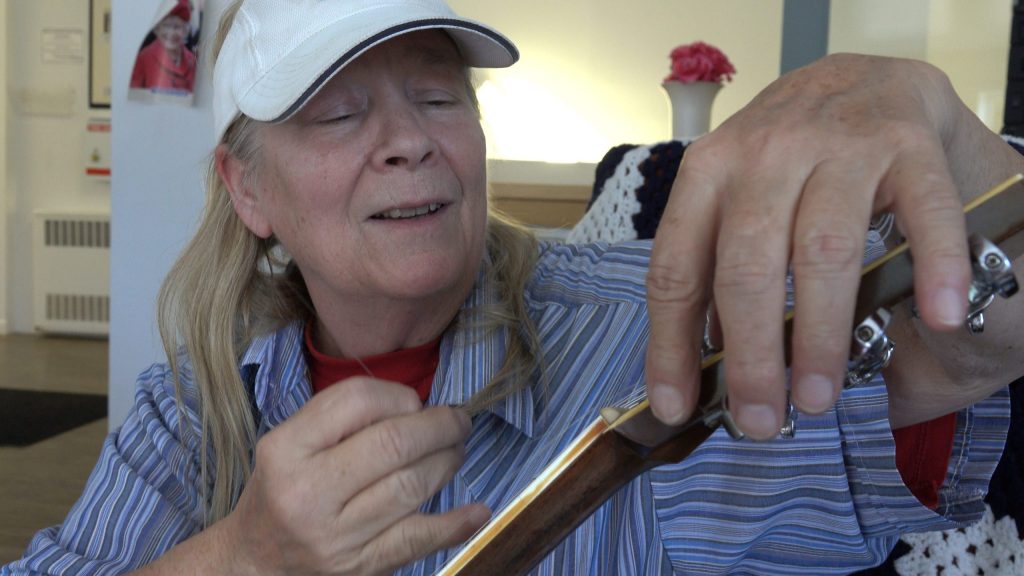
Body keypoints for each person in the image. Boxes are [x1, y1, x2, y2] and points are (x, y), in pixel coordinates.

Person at [3, 0, 1022, 574]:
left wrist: (957, 150)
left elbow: (961, 350)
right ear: (248, 189)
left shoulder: (653, 333)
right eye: (339, 114)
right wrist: (245, 555)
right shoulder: (192, 405)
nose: (409, 141)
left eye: (437, 97)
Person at [129, 0, 196, 93]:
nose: (171, 33)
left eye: (177, 27)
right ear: (157, 29)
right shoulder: (144, 57)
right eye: (166, 26)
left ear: (185, 31)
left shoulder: (192, 60)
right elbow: (134, 94)